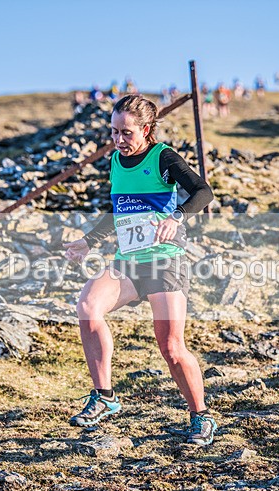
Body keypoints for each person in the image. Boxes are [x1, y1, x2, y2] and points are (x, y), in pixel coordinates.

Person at [63, 95, 217, 446]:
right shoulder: (116, 161)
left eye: (126, 133)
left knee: (171, 347)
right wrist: (89, 241)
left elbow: (203, 192)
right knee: (87, 307)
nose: (118, 140)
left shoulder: (162, 157)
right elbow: (118, 210)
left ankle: (201, 417)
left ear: (146, 130)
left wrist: (176, 217)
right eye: (114, 132)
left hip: (164, 260)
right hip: (129, 260)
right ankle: (104, 396)